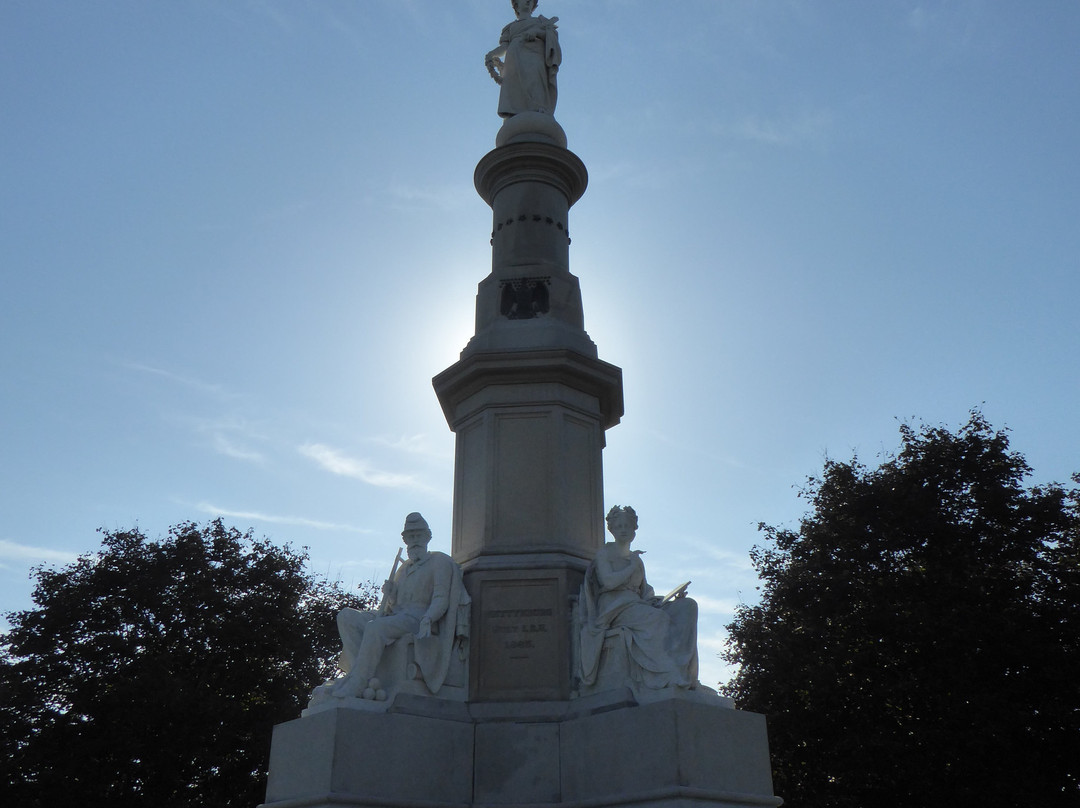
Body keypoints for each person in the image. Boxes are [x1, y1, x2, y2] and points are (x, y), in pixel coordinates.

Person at [317, 513, 469, 701]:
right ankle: (359, 674)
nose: (414, 541)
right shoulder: (403, 569)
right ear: (404, 540)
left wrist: (429, 617)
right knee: (347, 616)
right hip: (398, 617)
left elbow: (441, 598)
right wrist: (391, 594)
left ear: (427, 537)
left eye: (418, 536)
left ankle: (359, 682)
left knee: (375, 627)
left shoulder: (440, 562)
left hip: (418, 618)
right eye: (410, 537)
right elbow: (392, 607)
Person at [578, 506, 700, 691]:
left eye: (627, 526)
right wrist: (631, 565)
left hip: (637, 604)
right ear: (611, 529)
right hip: (614, 606)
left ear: (634, 529)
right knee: (657, 619)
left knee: (687, 607)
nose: (624, 530)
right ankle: (664, 673)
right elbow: (608, 582)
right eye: (619, 526)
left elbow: (645, 591)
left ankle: (682, 669)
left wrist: (666, 600)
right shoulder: (606, 554)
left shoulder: (635, 559)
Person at [485, 0, 561, 118]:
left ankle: (539, 109)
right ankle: (515, 115)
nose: (527, 2)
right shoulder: (510, 27)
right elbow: (504, 47)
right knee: (515, 93)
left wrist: (537, 32)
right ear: (516, 5)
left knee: (535, 83)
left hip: (535, 58)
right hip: (514, 61)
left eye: (529, 1)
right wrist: (491, 54)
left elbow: (552, 37)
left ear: (533, 5)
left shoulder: (540, 22)